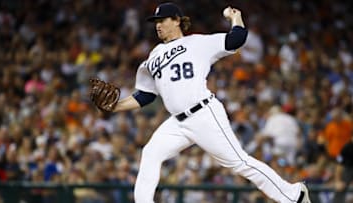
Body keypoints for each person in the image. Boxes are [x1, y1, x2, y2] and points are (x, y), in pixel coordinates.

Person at [107, 2, 311, 203]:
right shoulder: (155, 55)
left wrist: (235, 17)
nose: (158, 25)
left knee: (240, 162)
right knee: (151, 152)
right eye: (155, 22)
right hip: (177, 123)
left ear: (177, 21)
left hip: (203, 114)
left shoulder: (198, 43)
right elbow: (146, 95)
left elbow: (236, 39)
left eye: (162, 20)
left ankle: (294, 195)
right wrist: (116, 106)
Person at [332, 135, 353, 203]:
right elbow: (339, 165)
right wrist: (338, 181)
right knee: (340, 187)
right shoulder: (347, 148)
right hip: (348, 172)